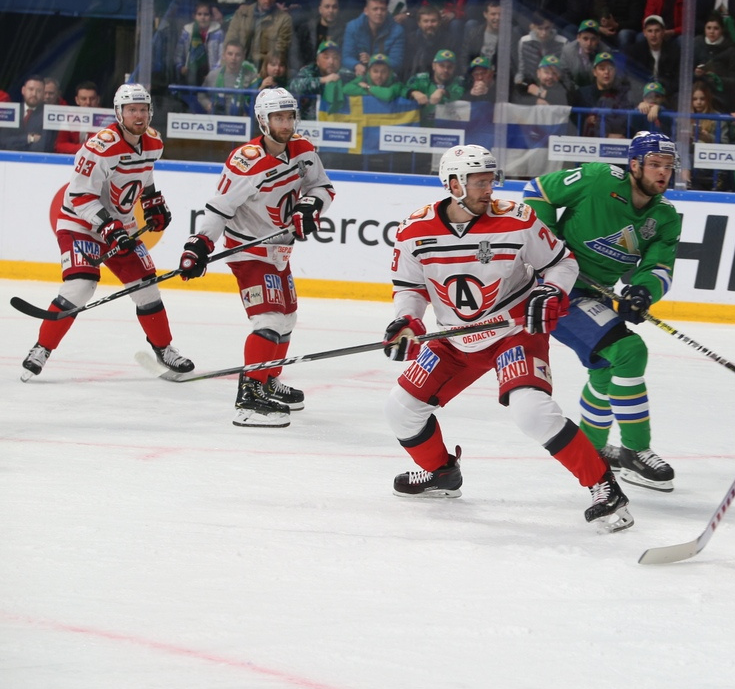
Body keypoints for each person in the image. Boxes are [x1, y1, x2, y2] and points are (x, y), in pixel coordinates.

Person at [381, 144, 633, 532]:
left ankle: (604, 486)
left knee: (530, 410)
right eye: (479, 181)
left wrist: (552, 292)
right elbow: (409, 287)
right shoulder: (414, 230)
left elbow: (562, 262)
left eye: (490, 180)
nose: (489, 189)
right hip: (453, 338)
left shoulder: (517, 219)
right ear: (453, 184)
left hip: (513, 330)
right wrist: (407, 321)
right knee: (401, 408)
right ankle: (441, 474)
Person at [523, 131, 681, 491]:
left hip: (593, 294)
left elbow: (659, 267)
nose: (662, 173)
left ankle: (592, 448)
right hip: (553, 290)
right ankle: (634, 452)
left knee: (608, 366)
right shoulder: (598, 179)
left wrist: (642, 292)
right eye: (655, 164)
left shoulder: (666, 216)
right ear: (635, 165)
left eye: (668, 167)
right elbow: (538, 190)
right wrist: (547, 242)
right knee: (629, 351)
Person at [177, 88, 336, 428]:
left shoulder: (303, 150)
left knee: (288, 317)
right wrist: (200, 243)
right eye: (279, 117)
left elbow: (322, 187)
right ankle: (249, 398)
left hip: (280, 250)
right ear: (263, 120)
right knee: (269, 319)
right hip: (249, 250)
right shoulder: (245, 161)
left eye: (290, 116)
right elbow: (220, 207)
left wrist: (311, 205)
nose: (286, 123)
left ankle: (268, 381)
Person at [20, 84, 194, 381]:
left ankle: (163, 349)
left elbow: (144, 173)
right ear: (119, 113)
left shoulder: (152, 142)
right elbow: (79, 196)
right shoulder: (100, 146)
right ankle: (42, 348)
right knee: (80, 286)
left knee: (147, 287)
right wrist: (108, 226)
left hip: (120, 224)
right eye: (131, 110)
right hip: (80, 223)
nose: (138, 115)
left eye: (143, 109)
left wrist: (152, 201)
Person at [53, 81, 102, 155]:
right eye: (83, 99)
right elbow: (59, 145)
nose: (88, 102)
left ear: (98, 99)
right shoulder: (70, 117)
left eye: (92, 99)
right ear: (77, 100)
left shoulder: (106, 118)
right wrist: (84, 148)